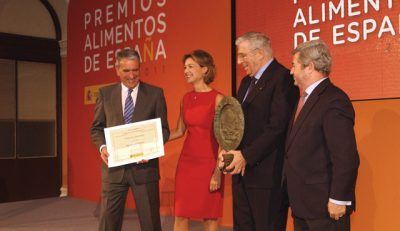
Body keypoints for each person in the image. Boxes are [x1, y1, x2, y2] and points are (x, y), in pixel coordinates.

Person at [219, 32, 298, 230]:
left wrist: (246, 155)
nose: (239, 61)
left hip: (267, 176)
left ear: (260, 53)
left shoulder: (283, 78)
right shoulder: (246, 82)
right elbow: (238, 124)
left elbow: (277, 127)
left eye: (243, 55)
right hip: (242, 173)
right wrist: (227, 151)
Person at [90, 48, 170, 231]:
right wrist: (102, 147)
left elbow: (163, 130)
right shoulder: (105, 94)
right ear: (117, 69)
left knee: (150, 223)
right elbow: (96, 128)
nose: (132, 75)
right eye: (126, 71)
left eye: (135, 69)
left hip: (144, 168)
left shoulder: (155, 94)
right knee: (108, 223)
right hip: (114, 170)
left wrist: (151, 150)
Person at [284, 40, 360, 231]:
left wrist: (338, 198)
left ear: (309, 67)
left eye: (294, 65)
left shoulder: (334, 100)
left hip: (324, 207)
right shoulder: (305, 99)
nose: (291, 71)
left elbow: (345, 155)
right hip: (303, 205)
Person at [169, 50, 224, 231]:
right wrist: (150, 140)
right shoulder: (186, 99)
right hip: (186, 164)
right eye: (185, 67)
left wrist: (217, 172)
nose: (186, 70)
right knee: (180, 213)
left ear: (205, 70)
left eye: (191, 66)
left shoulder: (219, 99)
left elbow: (225, 140)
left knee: (210, 216)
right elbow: (178, 131)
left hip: (209, 165)